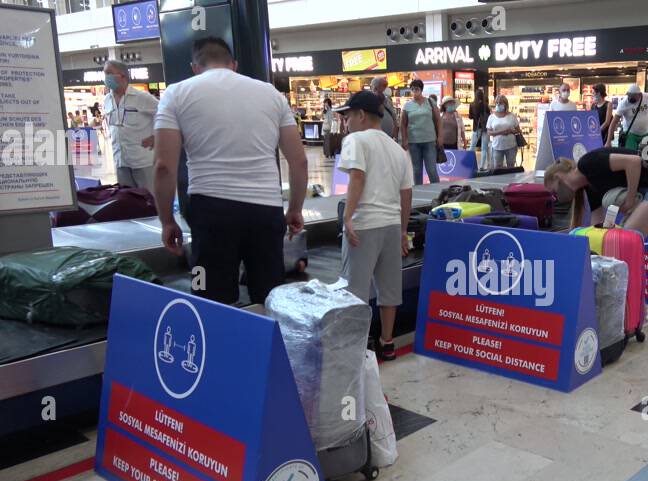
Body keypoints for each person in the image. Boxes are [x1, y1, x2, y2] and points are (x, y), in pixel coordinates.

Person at [153, 37, 308, 305]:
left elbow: (163, 167)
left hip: (210, 214)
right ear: (234, 65)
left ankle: (219, 346)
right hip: (266, 211)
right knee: (271, 298)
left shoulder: (176, 93)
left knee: (209, 298)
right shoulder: (271, 94)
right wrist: (294, 208)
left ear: (195, 67)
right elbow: (299, 162)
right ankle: (269, 346)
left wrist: (167, 220)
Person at [333, 91, 414, 361]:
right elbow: (406, 194)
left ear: (361, 115)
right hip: (391, 225)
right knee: (389, 289)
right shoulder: (398, 150)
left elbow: (357, 176)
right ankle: (387, 342)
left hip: (363, 225)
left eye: (347, 116)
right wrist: (403, 231)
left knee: (354, 288)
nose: (346, 123)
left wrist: (348, 216)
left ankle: (357, 347)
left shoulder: (355, 140)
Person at [543, 149, 648, 237]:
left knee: (628, 240)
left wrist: (629, 200)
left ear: (558, 177)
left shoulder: (586, 164)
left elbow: (634, 162)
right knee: (621, 239)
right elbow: (596, 224)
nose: (557, 197)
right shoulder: (588, 186)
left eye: (554, 191)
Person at [102, 60, 159, 191]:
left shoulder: (141, 97)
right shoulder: (107, 100)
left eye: (109, 73)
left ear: (122, 75)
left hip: (142, 161)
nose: (106, 77)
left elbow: (164, 112)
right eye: (105, 74)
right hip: (120, 162)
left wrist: (156, 136)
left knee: (149, 201)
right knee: (128, 202)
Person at [400, 78, 442, 185]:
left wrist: (440, 137)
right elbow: (403, 124)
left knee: (431, 170)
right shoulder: (407, 106)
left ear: (421, 90)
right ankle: (418, 191)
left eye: (417, 89)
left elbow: (438, 120)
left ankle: (437, 191)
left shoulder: (430, 102)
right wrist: (404, 140)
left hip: (429, 141)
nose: (415, 91)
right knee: (416, 170)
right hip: (413, 142)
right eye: (412, 89)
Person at [606, 83, 648, 150]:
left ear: (639, 95)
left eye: (633, 96)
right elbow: (613, 123)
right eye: (629, 95)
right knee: (631, 156)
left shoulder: (647, 97)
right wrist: (608, 141)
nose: (630, 98)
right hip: (630, 134)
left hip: (645, 133)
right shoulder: (623, 103)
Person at [486, 95, 520, 170]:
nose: (498, 105)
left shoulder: (512, 116)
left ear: (505, 104)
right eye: (497, 103)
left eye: (500, 103)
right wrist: (501, 132)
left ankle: (511, 181)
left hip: (511, 146)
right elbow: (489, 132)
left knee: (511, 167)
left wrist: (511, 131)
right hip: (497, 146)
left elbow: (518, 130)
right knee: (497, 168)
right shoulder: (491, 117)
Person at [369, 77, 399, 141]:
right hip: (375, 139)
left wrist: (395, 136)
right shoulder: (368, 101)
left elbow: (394, 118)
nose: (386, 89)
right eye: (384, 86)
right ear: (375, 88)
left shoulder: (388, 101)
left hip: (389, 138)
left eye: (386, 86)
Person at [468, 87, 490, 168]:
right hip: (485, 128)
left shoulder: (472, 104)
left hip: (476, 128)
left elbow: (470, 116)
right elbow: (489, 115)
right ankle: (482, 166)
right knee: (484, 148)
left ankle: (469, 164)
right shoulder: (485, 105)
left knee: (472, 146)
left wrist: (475, 116)